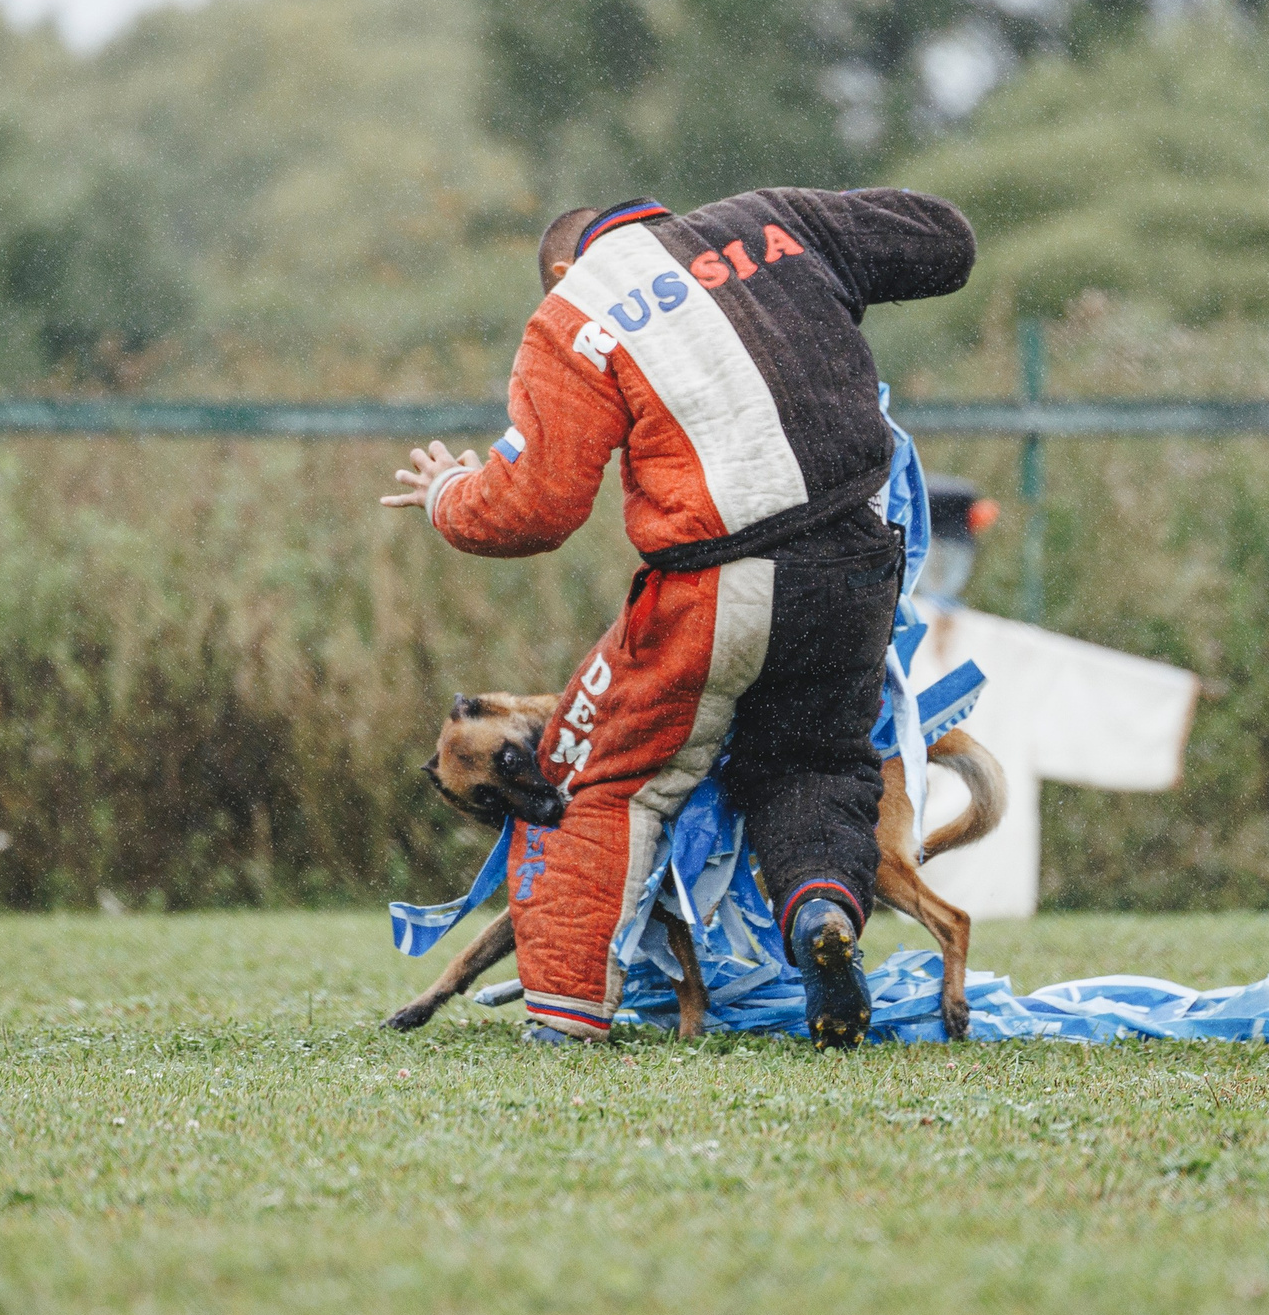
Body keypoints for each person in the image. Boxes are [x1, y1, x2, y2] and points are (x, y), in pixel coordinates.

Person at [380, 189, 976, 1046]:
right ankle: (819, 910)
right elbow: (945, 243)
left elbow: (535, 511)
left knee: (608, 779)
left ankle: (567, 1009)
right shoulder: (774, 220)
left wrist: (447, 494)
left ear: (561, 269)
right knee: (817, 765)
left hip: (718, 581)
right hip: (854, 565)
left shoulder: (570, 314)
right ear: (664, 219)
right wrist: (811, 262)